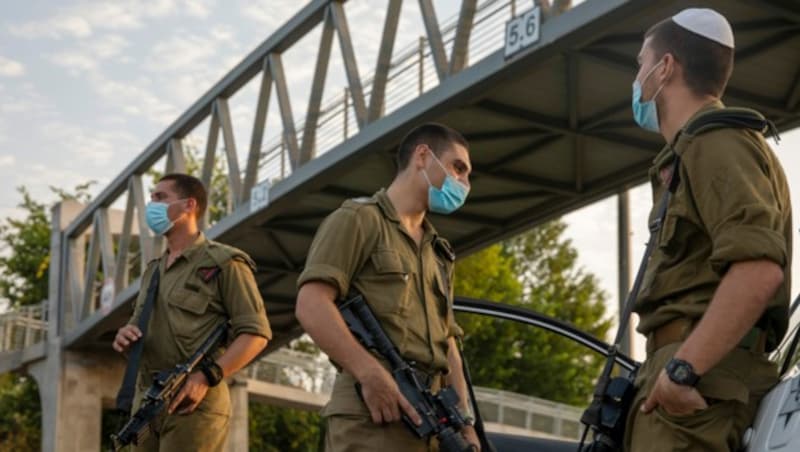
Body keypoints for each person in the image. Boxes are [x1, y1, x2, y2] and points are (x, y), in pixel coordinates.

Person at [624, 8, 793, 451]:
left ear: (665, 68)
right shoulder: (696, 150)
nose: (637, 76)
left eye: (641, 62)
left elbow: (758, 269)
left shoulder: (716, 143)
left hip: (697, 387)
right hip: (690, 377)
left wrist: (682, 372)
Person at [295, 123, 480, 451]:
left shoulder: (439, 251)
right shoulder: (359, 219)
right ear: (423, 156)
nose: (463, 183)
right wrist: (368, 373)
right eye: (458, 168)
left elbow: (447, 340)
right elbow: (311, 303)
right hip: (373, 415)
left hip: (433, 419)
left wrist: (465, 420)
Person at [112, 173, 272, 451]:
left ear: (189, 205)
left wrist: (206, 377)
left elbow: (257, 333)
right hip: (146, 402)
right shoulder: (153, 271)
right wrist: (126, 337)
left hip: (193, 402)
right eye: (151, 198)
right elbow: (142, 332)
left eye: (161, 197)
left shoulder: (224, 262)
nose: (152, 205)